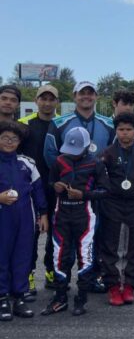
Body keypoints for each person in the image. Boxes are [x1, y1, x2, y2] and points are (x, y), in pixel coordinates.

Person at [45, 81, 114, 293]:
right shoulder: (59, 123)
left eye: (90, 93)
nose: (86, 97)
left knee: (93, 236)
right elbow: (50, 155)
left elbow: (111, 156)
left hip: (92, 193)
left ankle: (91, 277)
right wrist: (68, 182)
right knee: (60, 238)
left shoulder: (108, 124)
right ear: (74, 96)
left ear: (96, 96)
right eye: (82, 93)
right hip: (66, 194)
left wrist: (93, 184)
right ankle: (56, 276)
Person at [41, 128, 105, 317]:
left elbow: (106, 191)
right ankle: (60, 298)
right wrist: (56, 186)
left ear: (87, 147)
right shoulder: (59, 161)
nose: (72, 154)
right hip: (61, 214)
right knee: (59, 256)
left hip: (85, 215)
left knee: (84, 256)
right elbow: (50, 182)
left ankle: (82, 297)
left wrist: (83, 195)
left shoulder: (96, 163)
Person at [97, 113, 134, 307]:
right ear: (116, 131)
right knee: (112, 245)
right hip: (112, 203)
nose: (125, 133)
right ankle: (113, 285)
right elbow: (102, 179)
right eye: (121, 130)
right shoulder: (106, 154)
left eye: (129, 129)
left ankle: (129, 284)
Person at [0, 121, 49, 321]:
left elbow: (38, 190)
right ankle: (2, 297)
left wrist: (43, 214)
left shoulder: (27, 162)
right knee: (2, 257)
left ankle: (19, 297)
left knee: (22, 256)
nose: (9, 142)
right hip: (3, 216)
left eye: (14, 139)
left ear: (20, 141)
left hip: (25, 218)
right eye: (4, 138)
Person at [19, 85, 60, 298]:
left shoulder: (62, 124)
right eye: (43, 99)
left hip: (56, 187)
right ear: (36, 101)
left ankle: (52, 272)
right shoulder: (24, 125)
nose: (47, 103)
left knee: (56, 232)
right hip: (32, 189)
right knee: (31, 234)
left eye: (51, 99)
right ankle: (28, 274)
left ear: (57, 102)